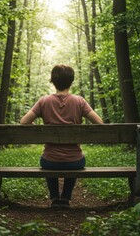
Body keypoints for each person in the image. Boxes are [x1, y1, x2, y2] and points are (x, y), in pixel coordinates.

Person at [20, 65, 103, 208]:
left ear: (52, 81)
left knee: (47, 158)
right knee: (76, 159)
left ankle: (54, 197)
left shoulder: (44, 101)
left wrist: (39, 131)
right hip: (75, 161)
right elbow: (99, 123)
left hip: (49, 161)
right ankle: (65, 197)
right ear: (71, 82)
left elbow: (24, 122)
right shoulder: (79, 101)